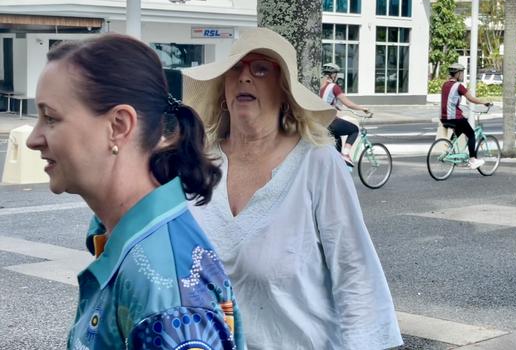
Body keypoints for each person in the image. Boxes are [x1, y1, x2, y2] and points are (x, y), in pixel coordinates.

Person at [182, 27, 402, 350]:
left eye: (260, 69)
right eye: (236, 69)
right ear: (223, 92)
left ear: (284, 92)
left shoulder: (317, 163)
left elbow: (354, 271)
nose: (245, 77)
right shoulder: (198, 164)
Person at [26, 34, 244, 350]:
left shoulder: (165, 293)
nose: (33, 139)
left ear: (118, 125)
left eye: (50, 118)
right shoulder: (126, 242)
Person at [440, 63, 492, 169]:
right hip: (455, 117)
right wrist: (484, 102)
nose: (463, 75)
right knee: (471, 134)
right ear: (458, 74)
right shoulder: (459, 86)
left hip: (444, 117)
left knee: (459, 131)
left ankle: (448, 151)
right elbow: (471, 99)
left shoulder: (445, 84)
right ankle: (472, 160)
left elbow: (450, 100)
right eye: (462, 73)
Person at [320, 63, 369, 167]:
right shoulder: (334, 87)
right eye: (336, 74)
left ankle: (336, 166)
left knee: (337, 141)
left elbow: (324, 101)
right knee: (354, 129)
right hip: (330, 121)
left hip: (320, 122)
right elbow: (348, 103)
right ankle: (346, 155)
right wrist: (362, 108)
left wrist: (334, 106)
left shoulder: (319, 86)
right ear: (332, 75)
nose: (336, 76)